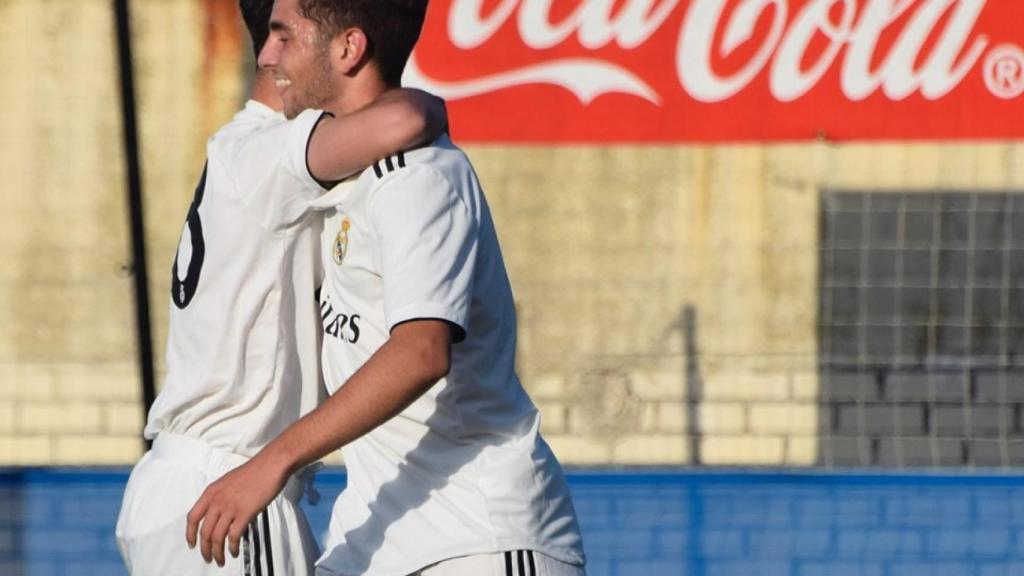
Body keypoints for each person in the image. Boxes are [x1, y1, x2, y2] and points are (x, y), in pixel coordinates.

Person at [186, 0, 587, 574]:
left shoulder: (418, 178)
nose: (267, 55)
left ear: (348, 49)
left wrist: (268, 464)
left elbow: (421, 351)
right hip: (377, 535)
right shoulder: (339, 180)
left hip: (475, 535)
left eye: (283, 37)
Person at [114, 0, 448, 573]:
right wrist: (430, 101)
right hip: (226, 485)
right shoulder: (267, 149)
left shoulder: (240, 150)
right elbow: (404, 122)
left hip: (188, 486)